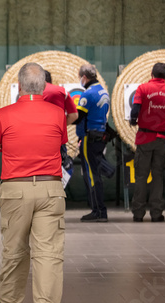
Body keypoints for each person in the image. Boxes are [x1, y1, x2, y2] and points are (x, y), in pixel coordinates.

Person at [0, 63, 67, 303]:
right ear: (44, 86)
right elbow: (60, 141)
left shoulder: (3, 114)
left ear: (19, 85)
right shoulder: (58, 113)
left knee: (15, 249)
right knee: (49, 253)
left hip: (15, 190)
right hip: (51, 189)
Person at [129, 63, 165, 222]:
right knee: (158, 176)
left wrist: (133, 120)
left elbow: (135, 109)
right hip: (162, 139)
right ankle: (156, 213)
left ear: (151, 74)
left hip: (145, 138)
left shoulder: (143, 88)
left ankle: (138, 213)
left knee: (141, 176)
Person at [73, 64, 111, 222]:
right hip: (100, 135)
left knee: (91, 174)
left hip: (89, 137)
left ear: (84, 77)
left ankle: (99, 210)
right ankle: (99, 209)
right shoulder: (103, 91)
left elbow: (78, 118)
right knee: (95, 172)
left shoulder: (88, 94)